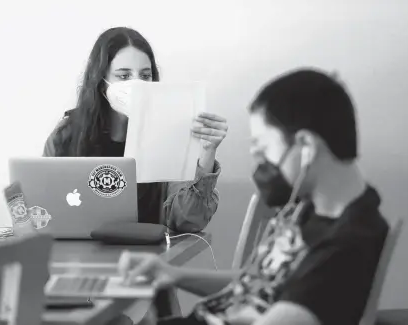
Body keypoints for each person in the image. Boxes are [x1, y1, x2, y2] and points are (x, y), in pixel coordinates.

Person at [118, 68, 389, 325]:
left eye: (262, 147)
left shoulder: (344, 246)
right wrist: (172, 274)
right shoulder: (315, 212)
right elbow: (256, 285)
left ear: (306, 146)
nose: (257, 162)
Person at [43, 27, 228, 233]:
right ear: (101, 81)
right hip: (77, 254)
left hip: (145, 258)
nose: (137, 85)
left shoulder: (169, 134)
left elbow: (187, 220)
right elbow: (43, 206)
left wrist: (207, 153)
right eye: (124, 76)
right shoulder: (66, 135)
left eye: (145, 75)